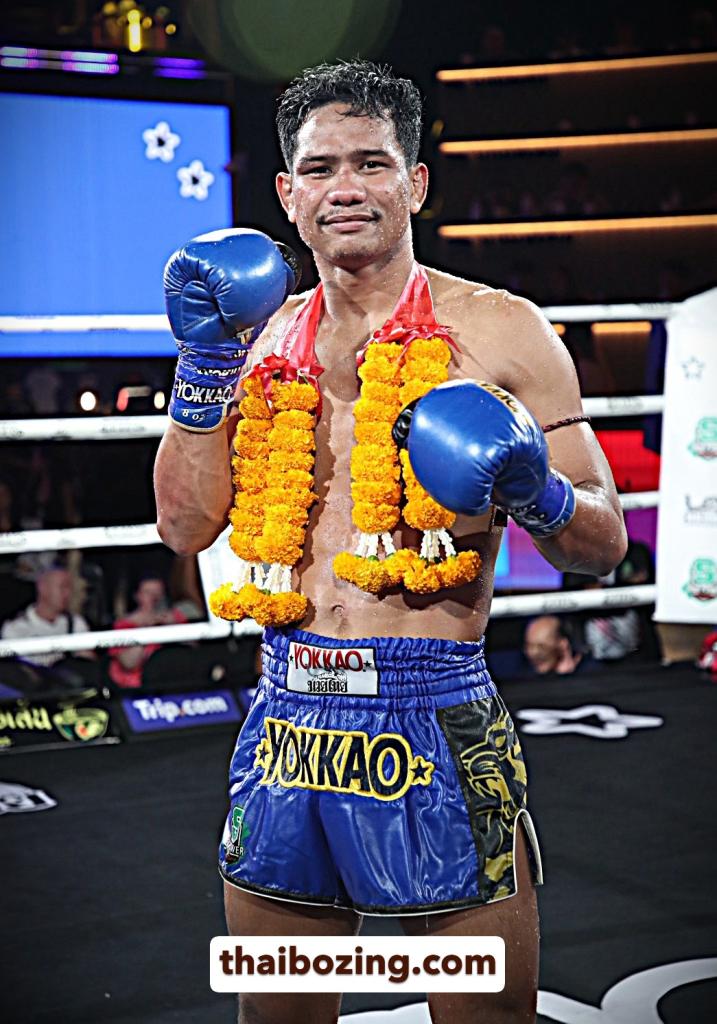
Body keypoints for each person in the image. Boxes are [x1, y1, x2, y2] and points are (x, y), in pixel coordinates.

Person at [154, 60, 627, 1024]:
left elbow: (602, 541)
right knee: (278, 1014)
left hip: (435, 710)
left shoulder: (502, 331)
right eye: (319, 168)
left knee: (483, 1013)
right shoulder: (253, 341)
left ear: (414, 182)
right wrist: (201, 364)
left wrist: (532, 489)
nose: (346, 188)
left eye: (371, 163)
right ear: (287, 195)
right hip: (287, 716)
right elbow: (185, 526)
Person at [0, 565, 96, 694]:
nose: (67, 593)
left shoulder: (76, 623)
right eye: (62, 587)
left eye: (69, 588)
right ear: (43, 588)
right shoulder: (15, 628)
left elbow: (87, 662)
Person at [108, 575, 186, 689]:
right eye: (148, 592)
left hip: (174, 680)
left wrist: (175, 627)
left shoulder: (175, 617)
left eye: (158, 592)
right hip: (136, 687)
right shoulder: (124, 625)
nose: (155, 598)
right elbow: (129, 663)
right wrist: (147, 629)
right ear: (137, 596)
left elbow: (193, 650)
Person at [523, 615, 596, 676]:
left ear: (562, 644)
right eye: (529, 646)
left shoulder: (592, 673)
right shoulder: (526, 678)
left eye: (541, 646)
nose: (533, 652)